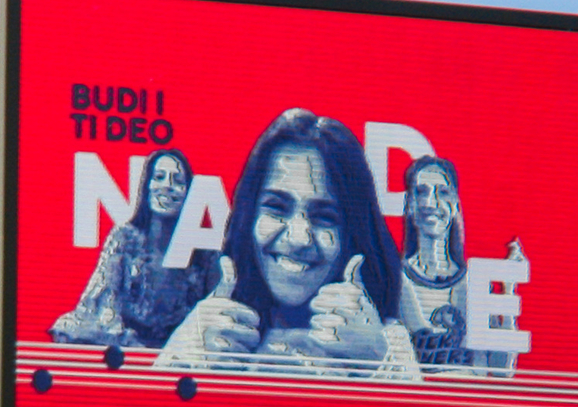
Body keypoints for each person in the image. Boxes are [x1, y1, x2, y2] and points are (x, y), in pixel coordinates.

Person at [157, 109, 421, 381]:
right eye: (277, 207)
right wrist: (187, 355)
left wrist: (376, 359)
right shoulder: (206, 330)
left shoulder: (384, 343)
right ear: (248, 217)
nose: (298, 239)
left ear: (352, 234)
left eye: (324, 217)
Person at [51, 148, 221, 349]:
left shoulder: (204, 253)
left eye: (178, 181)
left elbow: (214, 315)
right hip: (126, 349)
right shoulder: (124, 238)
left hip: (181, 355)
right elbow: (105, 302)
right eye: (159, 177)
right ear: (147, 186)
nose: (167, 186)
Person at [396, 155, 511, 374]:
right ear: (409, 204)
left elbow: (501, 371)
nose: (430, 203)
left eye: (442, 192)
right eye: (421, 192)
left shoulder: (474, 284)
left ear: (456, 203)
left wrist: (508, 292)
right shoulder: (395, 281)